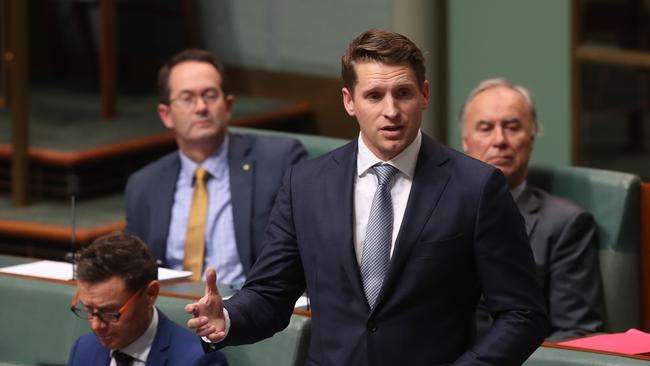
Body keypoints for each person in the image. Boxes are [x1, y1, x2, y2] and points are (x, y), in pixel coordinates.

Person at [186, 29, 548, 365]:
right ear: (349, 101)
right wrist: (229, 317)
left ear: (424, 94)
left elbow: (523, 314)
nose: (391, 111)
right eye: (374, 96)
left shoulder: (477, 186)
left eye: (403, 93)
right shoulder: (305, 184)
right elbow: (270, 294)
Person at [125, 49, 307, 284]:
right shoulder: (144, 185)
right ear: (166, 114)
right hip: (170, 311)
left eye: (210, 95)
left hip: (245, 312)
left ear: (228, 106)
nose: (201, 107)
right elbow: (133, 271)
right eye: (187, 98)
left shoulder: (279, 160)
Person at [460, 78, 605, 341]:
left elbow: (575, 333)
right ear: (466, 141)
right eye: (485, 128)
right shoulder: (437, 210)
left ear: (531, 136)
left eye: (512, 127)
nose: (499, 140)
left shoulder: (565, 224)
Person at [67, 232, 228, 365]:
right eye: (88, 309)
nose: (96, 325)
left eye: (110, 312)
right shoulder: (83, 350)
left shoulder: (198, 362)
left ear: (151, 294)